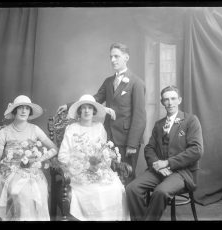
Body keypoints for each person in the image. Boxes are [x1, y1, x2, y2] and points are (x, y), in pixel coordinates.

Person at [57, 42, 146, 184]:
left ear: (126, 57)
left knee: (126, 177)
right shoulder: (108, 81)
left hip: (126, 140)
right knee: (109, 177)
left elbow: (140, 117)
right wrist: (69, 106)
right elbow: (94, 99)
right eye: (111, 57)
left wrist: (132, 144)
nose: (113, 60)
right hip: (109, 138)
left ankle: (127, 207)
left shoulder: (137, 83)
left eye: (116, 56)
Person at [126, 86, 204, 221]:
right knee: (132, 188)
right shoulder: (158, 124)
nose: (170, 103)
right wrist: (157, 165)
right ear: (162, 102)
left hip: (182, 173)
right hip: (159, 171)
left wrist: (168, 163)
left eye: (173, 98)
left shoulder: (191, 120)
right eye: (166, 99)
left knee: (160, 192)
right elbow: (149, 148)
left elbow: (196, 150)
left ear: (179, 100)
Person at [58, 94, 130, 221]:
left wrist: (99, 165)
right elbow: (63, 155)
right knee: (95, 191)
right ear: (79, 111)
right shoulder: (72, 128)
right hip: (78, 171)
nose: (86, 111)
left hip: (97, 170)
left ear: (94, 111)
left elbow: (103, 152)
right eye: (83, 108)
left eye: (90, 108)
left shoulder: (99, 127)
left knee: (115, 188)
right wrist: (79, 164)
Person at [0, 95, 58, 221]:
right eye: (20, 108)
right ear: (14, 111)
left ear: (30, 112)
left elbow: (54, 148)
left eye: (27, 108)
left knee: (41, 190)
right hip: (10, 171)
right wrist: (12, 165)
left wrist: (40, 159)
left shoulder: (35, 129)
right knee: (22, 193)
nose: (23, 111)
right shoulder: (4, 132)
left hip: (31, 171)